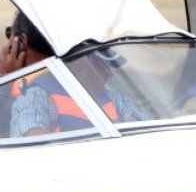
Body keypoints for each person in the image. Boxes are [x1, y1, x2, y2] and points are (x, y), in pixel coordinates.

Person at [10, 45, 142, 136]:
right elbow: (34, 141)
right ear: (79, 64)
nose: (109, 74)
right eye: (102, 66)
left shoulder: (114, 98)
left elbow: (144, 129)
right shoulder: (35, 97)